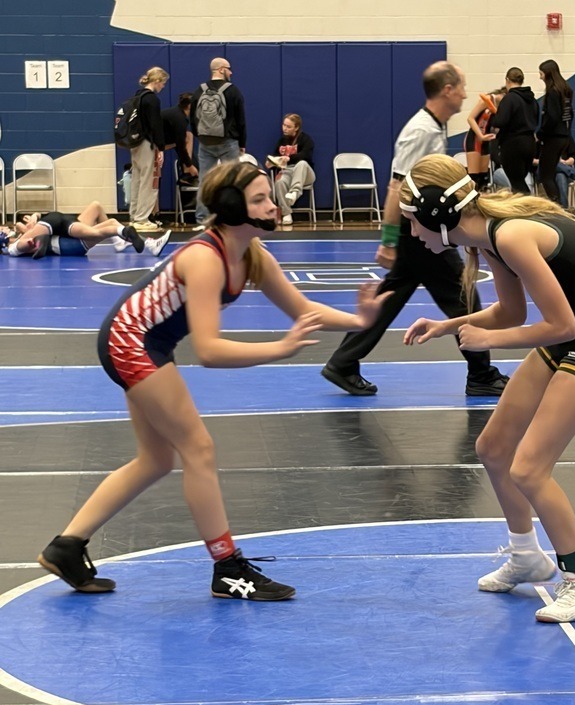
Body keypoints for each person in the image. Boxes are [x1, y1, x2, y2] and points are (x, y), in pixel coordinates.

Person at [36, 160, 388, 600]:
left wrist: (359, 318)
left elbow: (304, 311)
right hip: (132, 342)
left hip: (141, 340)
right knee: (198, 449)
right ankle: (226, 566)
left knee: (157, 459)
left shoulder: (252, 254)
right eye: (259, 199)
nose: (272, 207)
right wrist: (280, 348)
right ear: (230, 206)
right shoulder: (206, 258)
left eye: (268, 196)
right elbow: (210, 350)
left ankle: (67, 547)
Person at [401, 154, 575, 623]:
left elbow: (561, 325)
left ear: (436, 215)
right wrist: (450, 326)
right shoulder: (490, 237)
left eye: (412, 221)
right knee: (493, 447)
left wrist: (489, 341)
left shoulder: (510, 235)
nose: (411, 234)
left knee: (529, 468)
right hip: (573, 335)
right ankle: (527, 556)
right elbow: (511, 313)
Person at [321, 61, 508, 399]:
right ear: (447, 90)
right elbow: (396, 187)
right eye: (462, 86)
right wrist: (389, 240)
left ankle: (343, 362)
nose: (466, 94)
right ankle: (481, 374)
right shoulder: (421, 131)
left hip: (420, 233)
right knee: (464, 297)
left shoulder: (433, 127)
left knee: (391, 297)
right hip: (420, 235)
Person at [190, 57, 247, 225]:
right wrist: (242, 143)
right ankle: (232, 217)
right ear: (221, 69)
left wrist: (199, 137)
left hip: (205, 143)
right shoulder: (233, 91)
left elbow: (193, 119)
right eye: (229, 69)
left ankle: (202, 219)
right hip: (228, 142)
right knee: (232, 181)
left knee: (205, 181)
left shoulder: (199, 90)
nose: (231, 72)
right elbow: (241, 120)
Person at [6, 204, 170, 259]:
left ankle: (120, 240)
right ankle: (143, 242)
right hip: (69, 244)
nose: (6, 227)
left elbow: (22, 232)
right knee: (103, 229)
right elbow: (21, 244)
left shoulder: (21, 234)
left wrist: (34, 216)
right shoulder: (15, 245)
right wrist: (29, 237)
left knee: (98, 208)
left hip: (64, 232)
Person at [129, 66, 168, 231]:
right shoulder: (152, 99)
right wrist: (161, 148)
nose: (163, 87)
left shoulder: (138, 96)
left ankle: (134, 215)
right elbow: (155, 125)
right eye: (163, 83)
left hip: (135, 143)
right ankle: (142, 218)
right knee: (149, 180)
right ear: (157, 81)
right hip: (147, 143)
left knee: (137, 179)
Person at [492, 67, 539, 195]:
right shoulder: (532, 100)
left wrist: (495, 112)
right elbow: (536, 119)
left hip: (513, 144)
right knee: (519, 180)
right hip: (529, 143)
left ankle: (530, 208)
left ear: (507, 80)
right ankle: (521, 209)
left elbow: (500, 121)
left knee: (517, 182)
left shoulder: (509, 98)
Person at [266, 114, 316, 226]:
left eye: (288, 126)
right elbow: (275, 157)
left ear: (296, 127)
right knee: (279, 182)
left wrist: (289, 158)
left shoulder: (306, 139)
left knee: (301, 163)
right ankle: (286, 213)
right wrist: (271, 163)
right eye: (283, 125)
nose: (284, 128)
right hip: (288, 171)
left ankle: (295, 192)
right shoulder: (282, 141)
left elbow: (305, 155)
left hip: (305, 172)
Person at [537, 59, 574, 204]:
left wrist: (541, 133)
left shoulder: (552, 92)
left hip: (553, 137)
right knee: (551, 173)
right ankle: (559, 206)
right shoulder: (566, 90)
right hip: (564, 136)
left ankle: (557, 207)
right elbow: (570, 114)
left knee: (545, 175)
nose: (540, 77)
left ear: (548, 74)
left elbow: (551, 117)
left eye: (541, 73)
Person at [463, 88, 505, 191]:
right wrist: (480, 135)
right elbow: (470, 118)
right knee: (474, 178)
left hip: (485, 140)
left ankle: (483, 202)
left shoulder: (501, 107)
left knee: (483, 178)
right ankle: (471, 202)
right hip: (475, 139)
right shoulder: (486, 100)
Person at [161, 92, 198, 182]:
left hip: (158, 140)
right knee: (187, 138)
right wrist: (190, 166)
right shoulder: (179, 119)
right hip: (153, 143)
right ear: (190, 106)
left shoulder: (176, 112)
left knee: (188, 136)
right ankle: (187, 171)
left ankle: (187, 172)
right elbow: (180, 145)